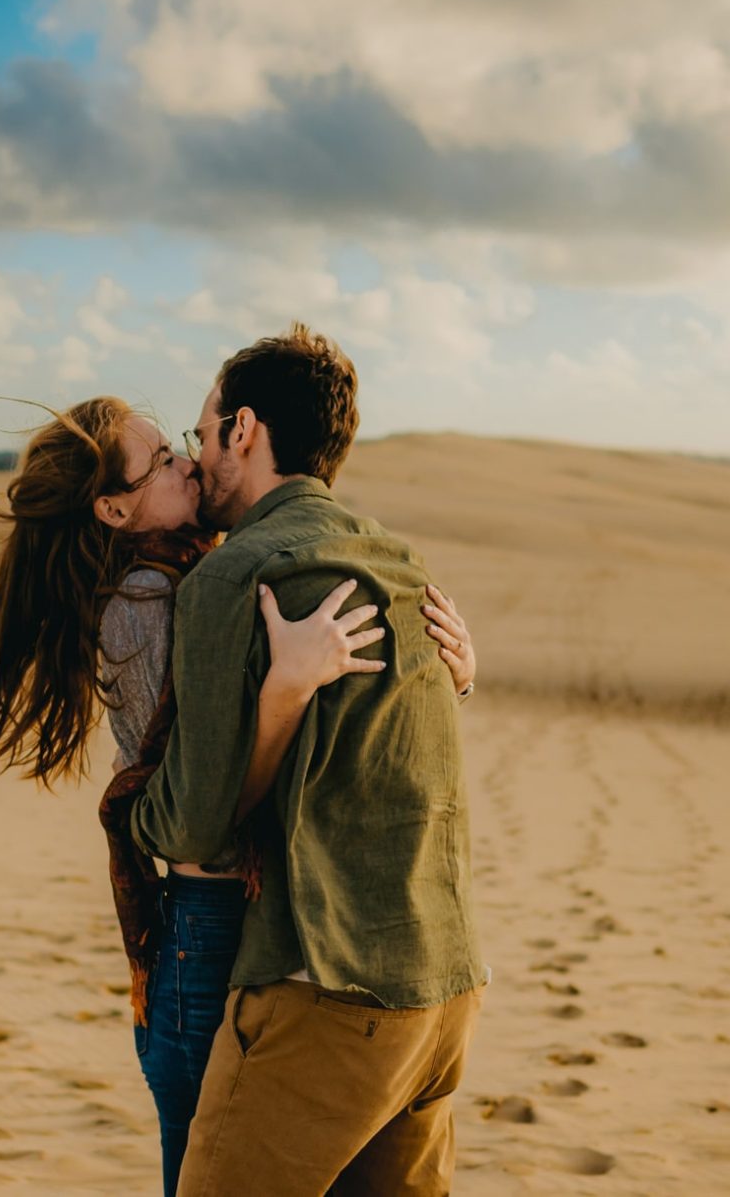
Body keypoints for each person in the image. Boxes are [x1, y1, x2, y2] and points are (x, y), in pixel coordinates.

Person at [0, 394, 477, 1196]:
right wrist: (285, 692)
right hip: (210, 931)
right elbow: (201, 816)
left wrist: (444, 675)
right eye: (161, 460)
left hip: (263, 932)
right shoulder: (146, 607)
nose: (189, 461)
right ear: (115, 507)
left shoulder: (207, 571)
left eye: (178, 445)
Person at [130, 325, 488, 1197]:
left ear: (242, 430)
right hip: (442, 991)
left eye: (203, 432)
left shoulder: (236, 575)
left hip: (325, 992)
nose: (198, 453)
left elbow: (191, 824)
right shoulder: (400, 562)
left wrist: (132, 809)